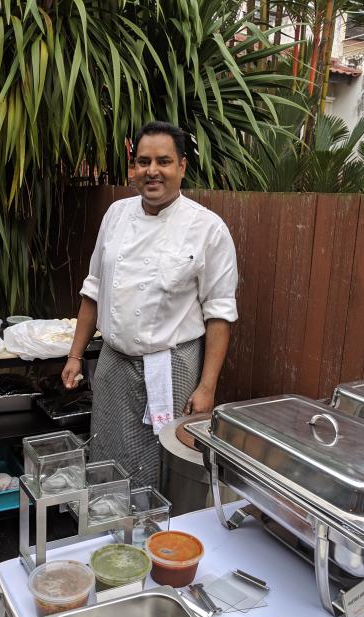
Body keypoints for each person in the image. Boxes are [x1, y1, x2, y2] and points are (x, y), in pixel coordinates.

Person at [61, 121, 238, 487]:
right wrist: (75, 355)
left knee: (159, 463)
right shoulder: (115, 215)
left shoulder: (208, 229)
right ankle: (108, 517)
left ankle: (156, 522)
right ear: (134, 168)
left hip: (171, 368)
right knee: (107, 454)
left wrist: (207, 387)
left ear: (182, 166)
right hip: (113, 363)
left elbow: (219, 315)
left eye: (163, 161)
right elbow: (93, 291)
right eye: (143, 162)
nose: (152, 171)